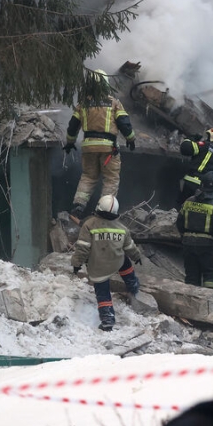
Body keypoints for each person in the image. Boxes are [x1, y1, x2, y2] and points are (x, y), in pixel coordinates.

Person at [64, 69, 136, 224]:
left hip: (89, 148)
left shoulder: (82, 104)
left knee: (88, 177)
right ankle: (104, 213)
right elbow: (124, 124)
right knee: (110, 179)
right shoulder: (114, 102)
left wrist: (69, 143)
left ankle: (78, 207)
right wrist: (131, 139)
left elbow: (72, 127)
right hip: (108, 149)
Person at [71, 195, 142, 331]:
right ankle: (133, 285)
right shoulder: (122, 228)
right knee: (125, 262)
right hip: (116, 261)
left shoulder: (89, 225)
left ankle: (107, 319)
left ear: (98, 207)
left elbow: (83, 248)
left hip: (98, 266)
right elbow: (130, 247)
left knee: (102, 291)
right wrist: (137, 256)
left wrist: (76, 263)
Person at [176, 171, 213, 290]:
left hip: (188, 244)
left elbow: (179, 223)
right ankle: (209, 301)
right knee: (210, 275)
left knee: (191, 276)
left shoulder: (188, 201)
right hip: (207, 247)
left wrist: (184, 237)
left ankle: (191, 303)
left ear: (201, 185)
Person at [178, 127, 213, 204]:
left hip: (191, 184)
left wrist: (192, 138)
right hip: (208, 193)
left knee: (181, 208)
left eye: (209, 136)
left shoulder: (206, 146)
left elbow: (185, 148)